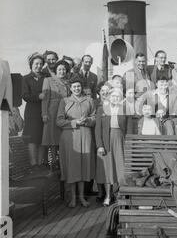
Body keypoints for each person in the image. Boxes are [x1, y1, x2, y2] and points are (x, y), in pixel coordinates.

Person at [56, 76, 96, 208]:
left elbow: (94, 117)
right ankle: (73, 198)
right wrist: (74, 122)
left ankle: (82, 198)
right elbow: (59, 121)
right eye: (74, 87)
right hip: (70, 137)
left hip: (85, 135)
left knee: (83, 167)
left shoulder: (89, 100)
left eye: (79, 86)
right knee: (72, 167)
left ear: (82, 87)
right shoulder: (65, 101)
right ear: (70, 88)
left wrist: (88, 121)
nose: (77, 89)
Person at [95, 88, 128, 206]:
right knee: (108, 169)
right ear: (109, 97)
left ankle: (121, 195)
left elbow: (129, 129)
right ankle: (108, 196)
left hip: (120, 139)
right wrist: (100, 145)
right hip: (106, 141)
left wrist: (128, 144)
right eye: (112, 96)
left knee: (121, 168)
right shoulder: (102, 109)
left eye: (117, 96)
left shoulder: (125, 109)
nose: (115, 98)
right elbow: (97, 129)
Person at [41, 60, 71, 167]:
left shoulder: (68, 83)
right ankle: (53, 161)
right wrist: (44, 113)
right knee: (52, 137)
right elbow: (45, 99)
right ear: (56, 70)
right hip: (52, 111)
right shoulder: (48, 80)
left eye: (64, 69)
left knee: (61, 137)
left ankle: (61, 161)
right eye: (59, 69)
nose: (62, 71)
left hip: (64, 111)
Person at [22, 53, 47, 169]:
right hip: (32, 113)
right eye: (36, 63)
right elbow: (25, 96)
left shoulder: (46, 77)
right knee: (32, 139)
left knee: (42, 139)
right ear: (31, 64)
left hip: (44, 111)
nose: (39, 66)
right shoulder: (25, 78)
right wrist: (38, 96)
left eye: (41, 64)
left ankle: (40, 163)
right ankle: (33, 164)